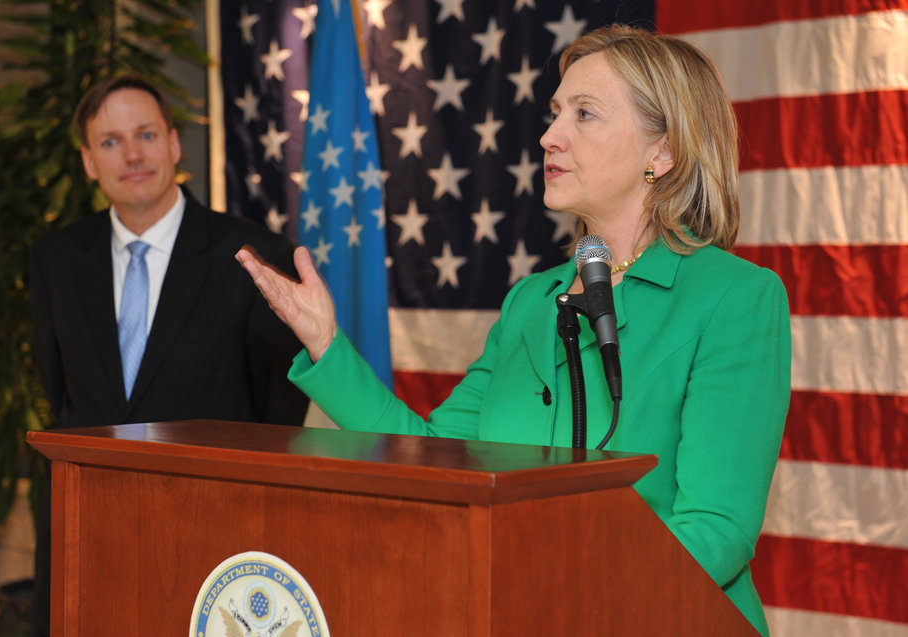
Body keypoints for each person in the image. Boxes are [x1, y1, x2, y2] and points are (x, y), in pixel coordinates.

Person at [236, 24, 790, 636]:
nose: (550, 137)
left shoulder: (735, 297)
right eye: (555, 114)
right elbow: (433, 459)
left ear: (662, 152)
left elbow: (716, 529)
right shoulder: (532, 301)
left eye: (585, 115)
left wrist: (563, 597)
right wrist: (325, 344)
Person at [29, 74, 308, 634]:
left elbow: (278, 415)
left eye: (146, 135)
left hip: (215, 545)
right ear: (88, 162)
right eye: (110, 142)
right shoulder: (55, 260)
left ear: (174, 145)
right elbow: (61, 392)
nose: (132, 155)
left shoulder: (251, 257)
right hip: (89, 534)